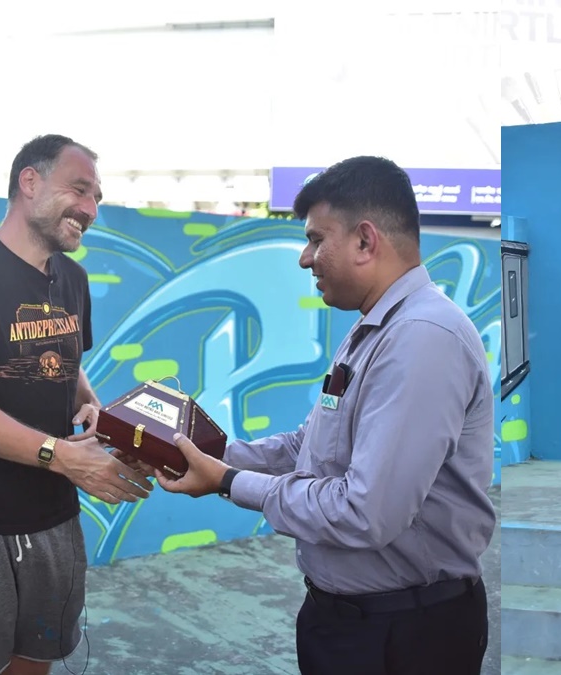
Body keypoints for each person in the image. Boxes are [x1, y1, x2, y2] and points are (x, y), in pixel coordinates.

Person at [155, 155, 496, 675]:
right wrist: (202, 451)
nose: (305, 258)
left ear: (365, 241)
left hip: (405, 634)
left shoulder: (422, 339)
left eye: (316, 239)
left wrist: (226, 481)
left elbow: (366, 512)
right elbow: (309, 448)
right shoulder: (375, 328)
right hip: (352, 622)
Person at [0, 134, 154, 675]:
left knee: (36, 660)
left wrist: (91, 404)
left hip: (55, 519)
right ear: (30, 181)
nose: (91, 209)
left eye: (97, 197)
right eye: (79, 190)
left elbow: (67, 360)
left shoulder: (73, 278)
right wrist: (63, 456)